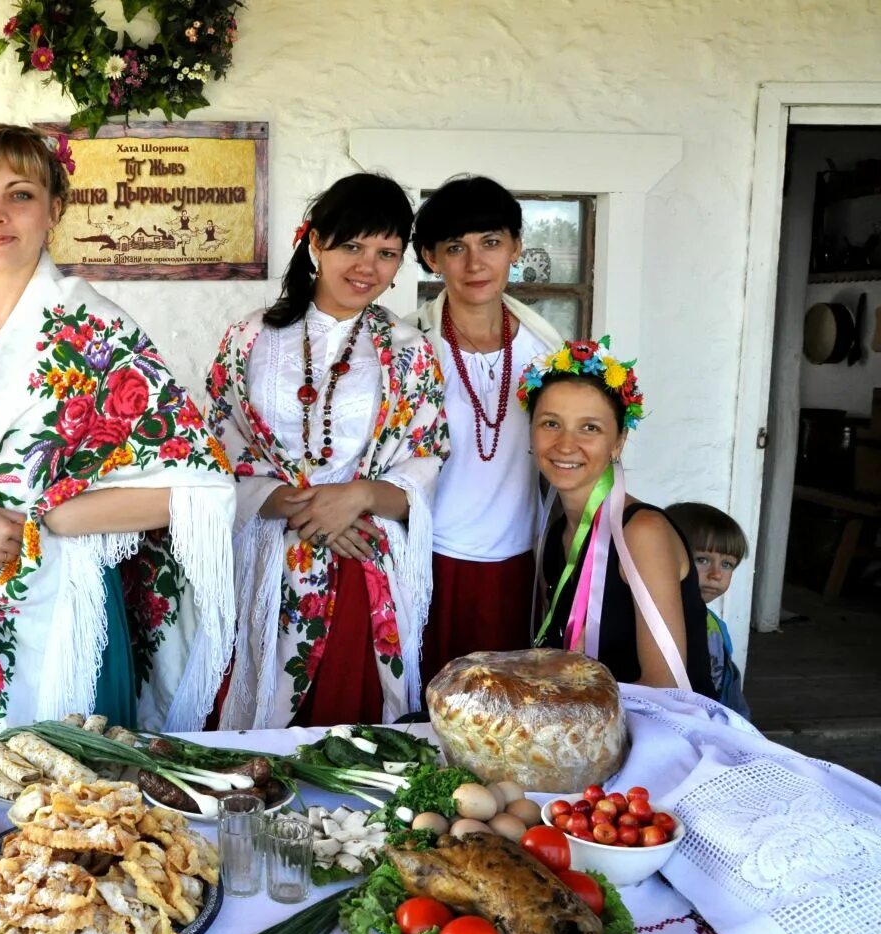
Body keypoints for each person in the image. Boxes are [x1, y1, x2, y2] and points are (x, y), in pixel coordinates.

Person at [0, 125, 234, 740]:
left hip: (60, 605)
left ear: (54, 209)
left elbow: (201, 487)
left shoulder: (93, 326)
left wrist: (52, 517)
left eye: (20, 195)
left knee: (73, 808)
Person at [206, 174, 449, 729]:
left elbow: (426, 455)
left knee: (350, 738)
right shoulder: (248, 340)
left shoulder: (410, 353)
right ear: (316, 242)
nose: (367, 266)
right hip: (266, 557)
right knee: (256, 736)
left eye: (387, 253)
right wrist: (306, 509)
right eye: (352, 246)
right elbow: (218, 443)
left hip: (362, 563)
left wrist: (359, 494)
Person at [412, 176, 564, 679]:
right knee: (422, 704)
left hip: (517, 562)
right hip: (426, 558)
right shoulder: (408, 347)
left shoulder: (548, 351)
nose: (475, 264)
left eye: (491, 243)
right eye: (456, 247)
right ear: (433, 258)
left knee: (505, 708)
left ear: (516, 247)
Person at [527, 340, 717, 696]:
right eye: (551, 423)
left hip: (659, 734)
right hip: (587, 728)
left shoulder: (642, 533)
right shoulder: (553, 537)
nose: (566, 445)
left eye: (590, 428)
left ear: (619, 441)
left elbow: (667, 686)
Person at [665, 502, 751, 716]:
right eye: (702, 559)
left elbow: (729, 694)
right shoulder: (654, 622)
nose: (716, 575)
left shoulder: (716, 626)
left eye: (727, 564)